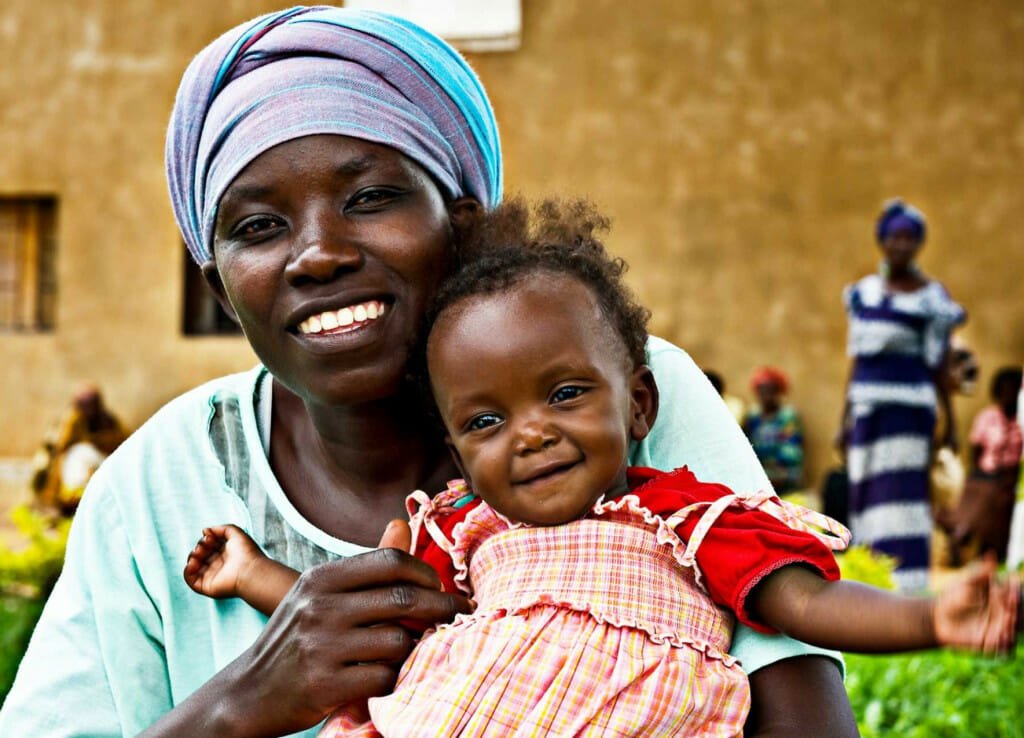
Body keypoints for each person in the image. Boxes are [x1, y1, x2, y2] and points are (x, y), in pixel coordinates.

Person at [0, 7, 858, 737]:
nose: (320, 254)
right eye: (258, 227)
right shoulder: (157, 486)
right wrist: (243, 702)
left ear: (462, 223)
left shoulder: (614, 397)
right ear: (218, 287)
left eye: (371, 198)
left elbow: (800, 703)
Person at [184, 198, 1019, 736]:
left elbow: (805, 602)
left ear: (640, 407)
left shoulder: (686, 520)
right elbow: (381, 626)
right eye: (486, 420)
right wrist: (254, 573)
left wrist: (928, 620)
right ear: (457, 452)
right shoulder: (467, 539)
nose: (531, 434)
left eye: (566, 394)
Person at [838, 199, 966, 591]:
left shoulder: (931, 299)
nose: (901, 245)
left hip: (910, 414)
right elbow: (856, 359)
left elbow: (939, 365)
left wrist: (952, 423)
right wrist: (844, 420)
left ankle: (907, 584)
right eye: (894, 237)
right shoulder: (864, 294)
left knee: (903, 497)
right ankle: (870, 579)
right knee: (866, 492)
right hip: (867, 409)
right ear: (883, 241)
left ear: (920, 244)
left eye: (910, 238)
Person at [941, 367, 1023, 563]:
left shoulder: (1020, 421)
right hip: (985, 476)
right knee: (980, 495)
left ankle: (964, 535)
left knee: (994, 497)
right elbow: (976, 452)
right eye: (1005, 391)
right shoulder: (987, 418)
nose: (1009, 396)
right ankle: (962, 531)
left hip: (1009, 478)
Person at [29, 381, 128, 516]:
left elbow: (123, 443)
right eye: (86, 404)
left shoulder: (109, 421)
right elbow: (56, 450)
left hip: (99, 474)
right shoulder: (69, 422)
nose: (89, 409)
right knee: (82, 453)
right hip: (68, 480)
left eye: (92, 403)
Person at [743, 367, 804, 495]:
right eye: (762, 391)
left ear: (779, 392)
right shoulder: (753, 417)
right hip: (759, 477)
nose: (766, 396)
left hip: (784, 479)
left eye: (770, 391)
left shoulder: (787, 417)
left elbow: (791, 453)